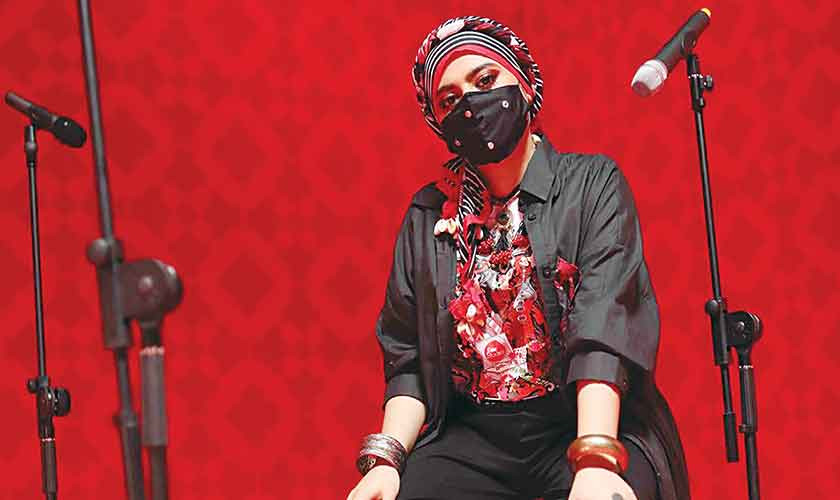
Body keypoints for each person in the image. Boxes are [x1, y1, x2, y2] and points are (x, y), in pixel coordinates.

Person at [347, 16, 690, 500]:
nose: (471, 104)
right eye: (449, 100)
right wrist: (385, 463)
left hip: (578, 418)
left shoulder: (592, 185)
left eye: (485, 81)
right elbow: (408, 359)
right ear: (439, 124)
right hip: (474, 433)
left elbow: (604, 327)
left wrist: (595, 459)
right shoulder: (427, 215)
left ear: (525, 85)